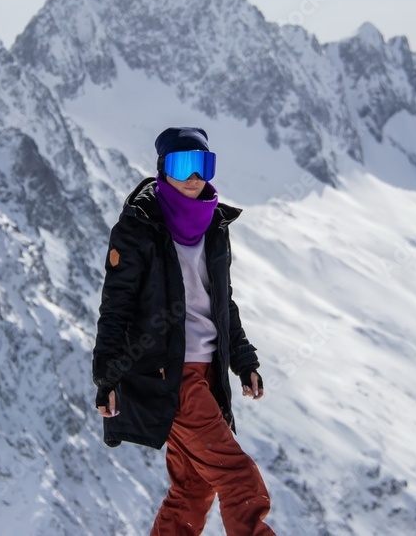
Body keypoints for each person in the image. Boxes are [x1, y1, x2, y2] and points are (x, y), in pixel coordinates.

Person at [92, 127, 276, 536]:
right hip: (168, 374)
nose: (194, 177)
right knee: (238, 478)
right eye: (182, 165)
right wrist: (106, 377)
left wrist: (244, 361)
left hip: (208, 372)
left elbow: (222, 302)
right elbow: (116, 309)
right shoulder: (138, 228)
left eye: (203, 165)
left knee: (193, 489)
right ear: (162, 170)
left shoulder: (214, 226)